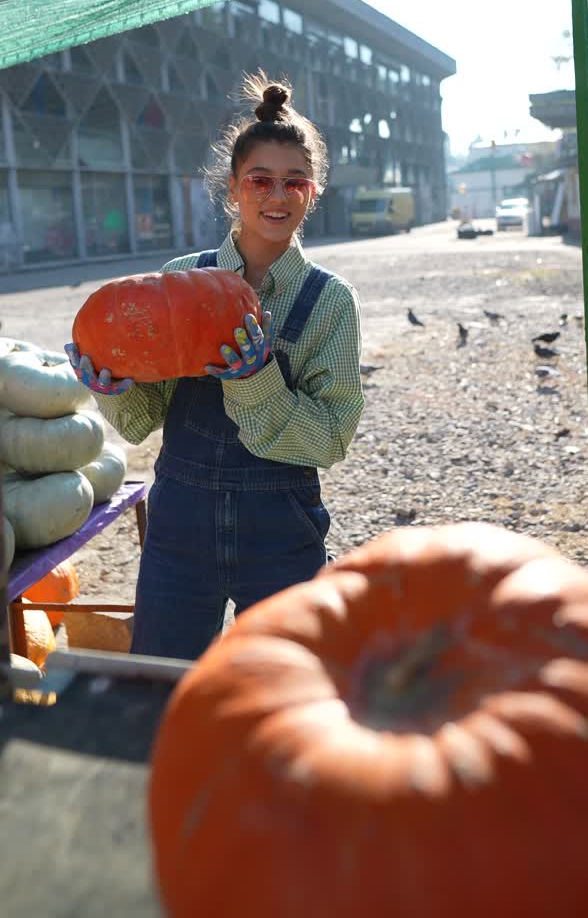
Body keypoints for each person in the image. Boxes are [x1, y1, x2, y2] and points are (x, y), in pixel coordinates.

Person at [65, 74, 364, 660]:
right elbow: (141, 419)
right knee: (165, 679)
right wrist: (113, 387)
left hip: (281, 530)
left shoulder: (330, 300)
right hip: (180, 529)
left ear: (313, 192)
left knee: (288, 689)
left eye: (294, 182)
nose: (277, 197)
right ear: (233, 188)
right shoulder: (180, 276)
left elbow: (330, 438)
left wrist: (257, 382)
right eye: (260, 180)